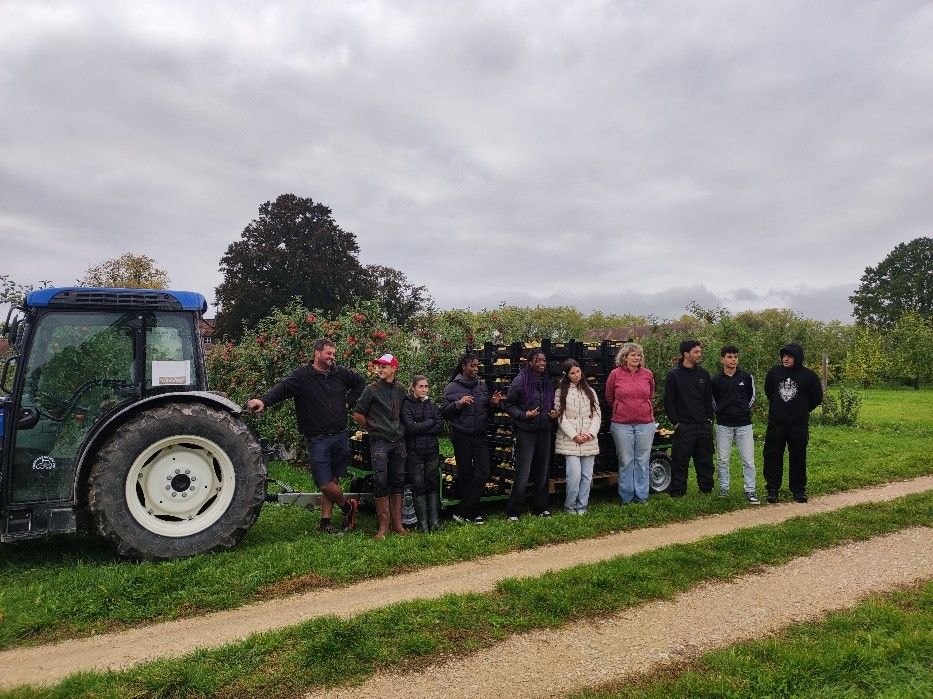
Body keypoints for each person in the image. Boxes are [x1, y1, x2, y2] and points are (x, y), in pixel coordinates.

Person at [246, 338, 363, 534]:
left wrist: (348, 402)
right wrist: (264, 401)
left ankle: (325, 522)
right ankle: (347, 506)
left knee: (333, 480)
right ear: (317, 353)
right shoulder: (302, 376)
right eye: (328, 353)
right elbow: (282, 389)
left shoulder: (341, 373)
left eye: (334, 354)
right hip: (317, 437)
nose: (332, 357)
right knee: (324, 483)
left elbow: (360, 383)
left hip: (340, 434)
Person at [441, 352, 503, 524]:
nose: (476, 369)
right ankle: (474, 512)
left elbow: (486, 410)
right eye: (472, 366)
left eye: (477, 366)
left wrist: (493, 404)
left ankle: (464, 511)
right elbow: (444, 413)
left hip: (480, 435)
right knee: (466, 473)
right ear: (464, 366)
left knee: (484, 471)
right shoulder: (452, 388)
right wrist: (458, 403)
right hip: (461, 435)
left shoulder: (482, 385)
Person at [353, 353, 408, 539]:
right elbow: (358, 413)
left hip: (398, 441)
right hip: (380, 441)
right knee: (381, 480)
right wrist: (372, 428)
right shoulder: (372, 389)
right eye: (379, 366)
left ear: (394, 368)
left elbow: (405, 411)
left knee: (398, 479)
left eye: (384, 366)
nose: (380, 369)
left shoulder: (401, 389)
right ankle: (383, 527)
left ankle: (398, 525)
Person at [763, 342, 823, 503]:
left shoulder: (809, 376)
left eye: (789, 356)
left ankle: (798, 490)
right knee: (772, 455)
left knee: (798, 457)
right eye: (784, 355)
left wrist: (801, 410)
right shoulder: (774, 373)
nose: (786, 358)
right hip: (776, 424)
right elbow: (769, 391)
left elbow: (817, 397)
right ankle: (772, 489)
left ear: (798, 357)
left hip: (798, 425)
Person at [504, 349, 557, 520]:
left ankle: (540, 508)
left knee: (543, 470)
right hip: (526, 431)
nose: (542, 363)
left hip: (544, 430)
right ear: (530, 362)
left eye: (544, 360)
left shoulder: (547, 380)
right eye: (538, 360)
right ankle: (513, 511)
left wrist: (553, 415)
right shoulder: (520, 380)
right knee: (523, 471)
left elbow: (551, 403)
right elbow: (509, 404)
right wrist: (524, 415)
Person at [606, 342, 656, 504]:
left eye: (638, 355)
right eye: (633, 355)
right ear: (625, 357)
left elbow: (651, 395)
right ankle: (626, 497)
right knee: (626, 461)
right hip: (621, 425)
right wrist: (621, 408)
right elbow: (609, 396)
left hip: (645, 424)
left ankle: (641, 496)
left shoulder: (647, 374)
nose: (636, 357)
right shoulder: (615, 374)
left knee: (642, 460)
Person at [664, 339, 714, 497]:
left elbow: (708, 399)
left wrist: (709, 419)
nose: (699, 354)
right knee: (680, 460)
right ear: (686, 354)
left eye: (700, 351)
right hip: (684, 426)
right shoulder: (673, 375)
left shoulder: (703, 374)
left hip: (703, 425)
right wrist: (676, 422)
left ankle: (706, 489)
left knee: (705, 460)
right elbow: (669, 401)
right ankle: (678, 492)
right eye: (696, 352)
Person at [711, 345, 760, 505]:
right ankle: (724, 489)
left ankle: (750, 490)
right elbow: (712, 400)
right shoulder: (716, 380)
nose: (733, 360)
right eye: (730, 357)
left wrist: (743, 410)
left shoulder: (746, 377)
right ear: (722, 359)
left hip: (744, 424)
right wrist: (720, 412)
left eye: (735, 357)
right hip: (723, 425)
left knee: (748, 460)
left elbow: (752, 397)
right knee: (722, 459)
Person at [554, 359, 601, 514]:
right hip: (570, 441)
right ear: (567, 375)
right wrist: (574, 435)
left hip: (588, 440)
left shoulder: (590, 391)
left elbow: (597, 415)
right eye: (572, 373)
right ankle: (570, 506)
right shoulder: (560, 392)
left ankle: (582, 506)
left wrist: (591, 433)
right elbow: (560, 417)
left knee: (587, 475)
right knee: (574, 475)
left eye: (578, 371)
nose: (576, 375)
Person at [401, 375, 443, 532]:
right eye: (420, 386)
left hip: (432, 449)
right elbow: (410, 427)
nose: (424, 389)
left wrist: (422, 427)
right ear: (413, 387)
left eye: (426, 386)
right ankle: (422, 523)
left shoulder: (431, 404)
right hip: (414, 451)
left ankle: (434, 521)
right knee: (418, 485)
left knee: (432, 482)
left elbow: (439, 425)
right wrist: (430, 423)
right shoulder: (406, 404)